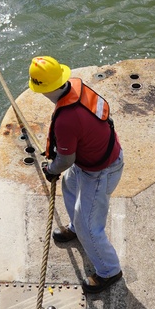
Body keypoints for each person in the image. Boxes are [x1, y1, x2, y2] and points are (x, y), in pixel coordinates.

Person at [30, 54, 124, 295]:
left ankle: (109, 271)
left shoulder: (67, 120)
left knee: (89, 226)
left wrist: (51, 171)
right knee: (70, 186)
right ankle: (74, 227)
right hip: (93, 159)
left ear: (43, 89)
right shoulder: (76, 86)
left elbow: (66, 159)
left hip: (101, 171)